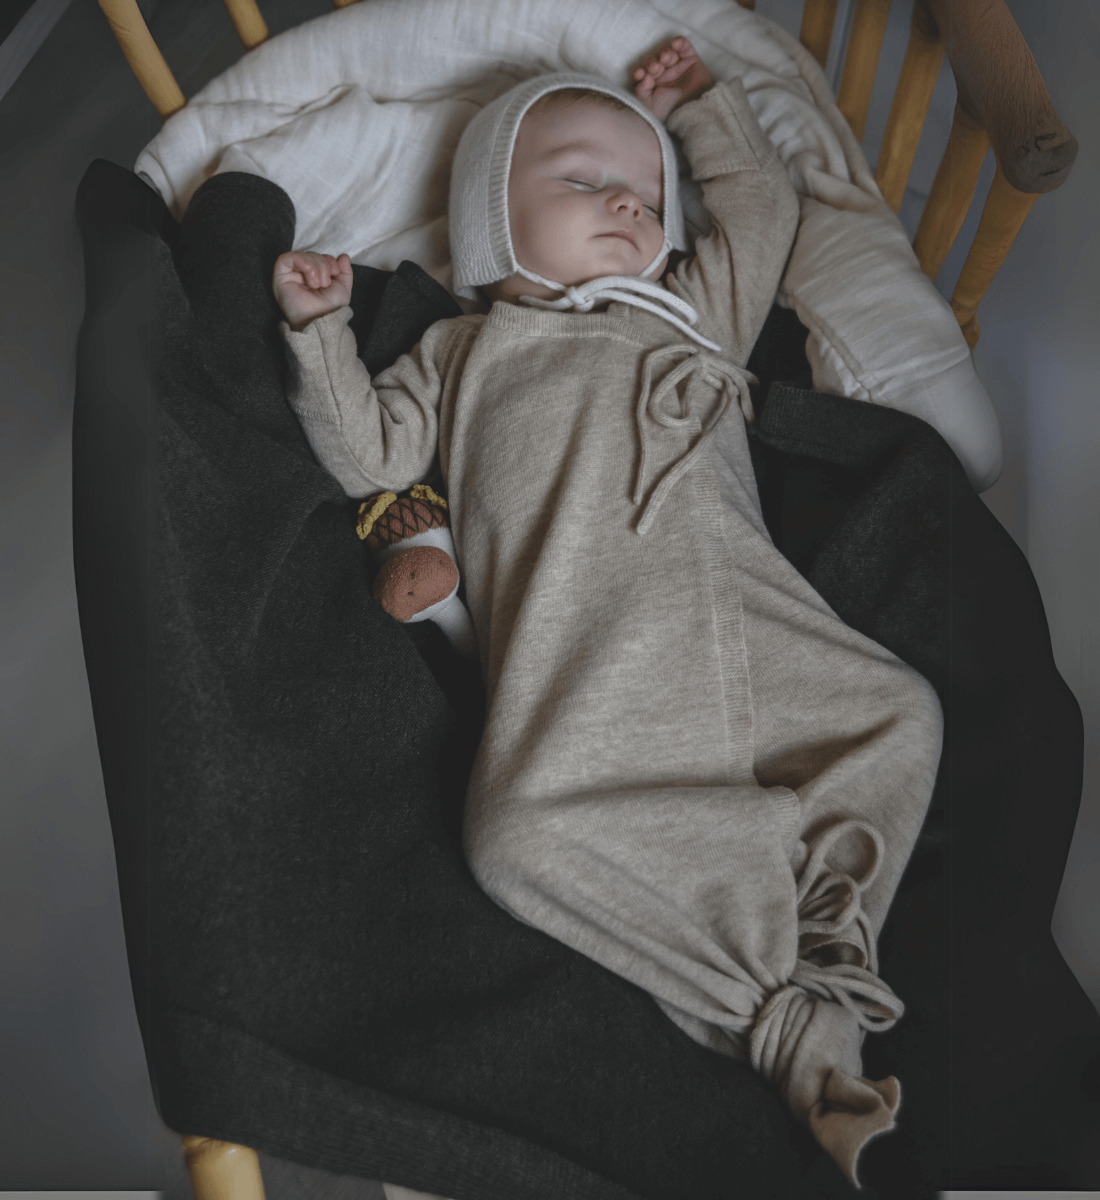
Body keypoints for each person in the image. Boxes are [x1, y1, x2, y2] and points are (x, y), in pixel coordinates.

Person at [273, 38, 943, 1187]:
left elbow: (761, 213)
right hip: (588, 672)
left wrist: (698, 109)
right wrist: (317, 333)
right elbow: (367, 454)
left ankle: (824, 960)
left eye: (645, 191)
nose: (629, 201)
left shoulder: (687, 314)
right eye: (585, 179)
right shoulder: (459, 355)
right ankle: (769, 1009)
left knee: (897, 714)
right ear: (489, 218)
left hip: (749, 629)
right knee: (515, 842)